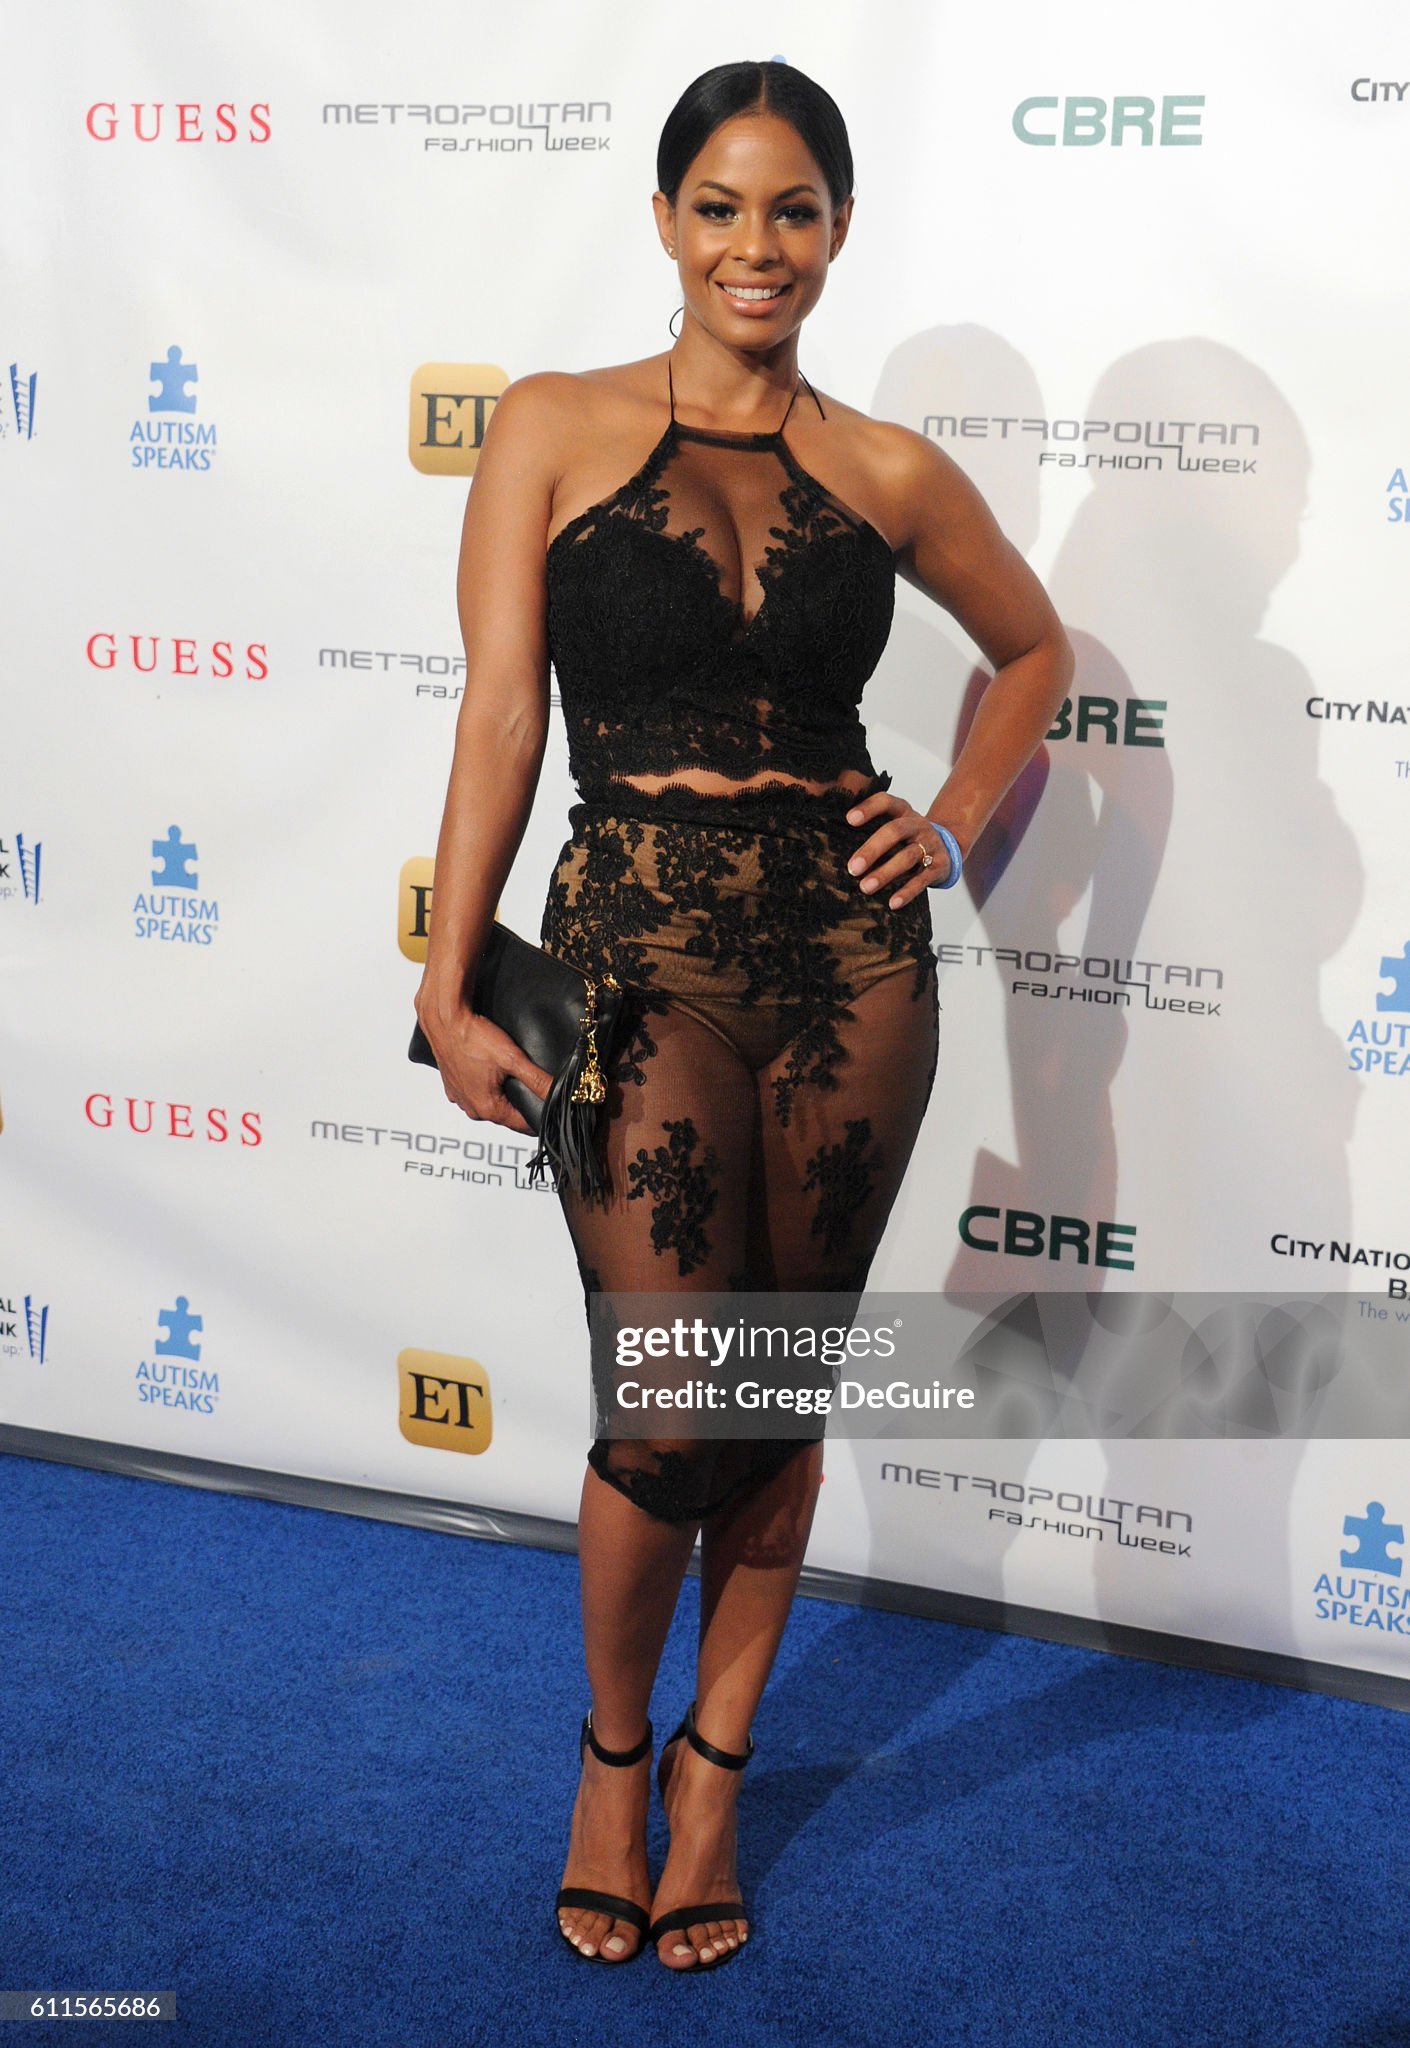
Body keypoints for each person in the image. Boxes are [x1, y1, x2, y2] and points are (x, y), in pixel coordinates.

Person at [413, 59, 1073, 1973]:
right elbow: (501, 717)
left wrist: (950, 821)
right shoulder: (549, 425)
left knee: (777, 1390)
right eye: (719, 205)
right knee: (667, 1402)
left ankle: (714, 1774)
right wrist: (445, 981)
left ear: (838, 228)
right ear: (663, 220)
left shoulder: (886, 471)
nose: (754, 245)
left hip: (853, 971)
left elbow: (1033, 649)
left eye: (791, 209)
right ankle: (611, 1761)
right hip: (635, 958)